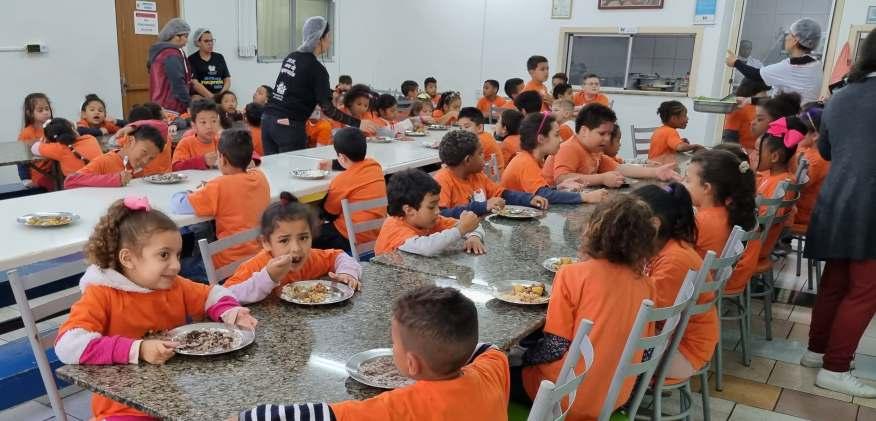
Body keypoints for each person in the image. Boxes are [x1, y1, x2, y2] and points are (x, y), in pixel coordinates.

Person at [54, 197, 257, 421]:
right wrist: (138, 349)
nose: (176, 265)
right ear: (128, 258)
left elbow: (212, 294)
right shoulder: (102, 294)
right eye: (164, 255)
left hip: (174, 399)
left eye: (177, 255)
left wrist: (231, 312)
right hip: (123, 408)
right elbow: (68, 345)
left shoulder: (173, 285)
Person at [235, 286, 510, 421]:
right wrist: (448, 349)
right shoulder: (492, 369)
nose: (393, 347)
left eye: (394, 343)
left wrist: (246, 418)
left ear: (412, 364)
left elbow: (321, 416)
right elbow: (489, 348)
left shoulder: (402, 408)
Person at [517, 194, 657, 419]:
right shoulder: (647, 284)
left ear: (594, 230)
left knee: (504, 369)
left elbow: (555, 347)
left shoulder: (571, 274)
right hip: (615, 396)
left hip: (564, 396)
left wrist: (524, 357)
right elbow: (646, 351)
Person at [803, 28, 876, 397]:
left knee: (835, 281)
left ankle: (816, 351)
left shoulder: (841, 95)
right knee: (865, 290)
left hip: (836, 199)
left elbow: (827, 151)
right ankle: (835, 367)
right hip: (870, 204)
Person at [634, 183, 718, 381]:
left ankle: (617, 395)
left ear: (654, 224)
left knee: (604, 348)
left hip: (683, 352)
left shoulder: (674, 260)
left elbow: (646, 315)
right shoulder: (665, 246)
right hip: (674, 339)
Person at [263, 16, 378, 153]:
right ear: (319, 40)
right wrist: (358, 123)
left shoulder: (291, 57)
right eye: (328, 36)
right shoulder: (317, 69)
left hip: (267, 120)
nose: (331, 41)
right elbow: (328, 109)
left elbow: (299, 87)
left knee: (272, 166)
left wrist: (333, 92)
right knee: (292, 166)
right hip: (288, 127)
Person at [224, 192, 362, 304]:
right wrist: (268, 277)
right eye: (284, 240)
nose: (296, 248)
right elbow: (224, 297)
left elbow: (339, 256)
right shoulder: (257, 266)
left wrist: (348, 273)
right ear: (266, 242)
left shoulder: (310, 259)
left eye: (303, 238)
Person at [170, 129, 270, 271]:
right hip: (258, 257)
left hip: (227, 264)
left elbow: (178, 205)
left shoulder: (218, 186)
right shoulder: (260, 177)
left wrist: (188, 192)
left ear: (222, 159)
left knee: (183, 266)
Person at [543, 104, 679, 188]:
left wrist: (655, 172)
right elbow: (562, 178)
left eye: (609, 134)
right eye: (602, 133)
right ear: (584, 131)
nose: (607, 139)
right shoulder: (569, 148)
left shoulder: (595, 151)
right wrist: (602, 178)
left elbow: (619, 168)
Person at [684, 149, 759, 294]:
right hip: (705, 286)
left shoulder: (701, 222)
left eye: (688, 180)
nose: (683, 184)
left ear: (706, 188)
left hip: (689, 291)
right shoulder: (728, 212)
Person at [500, 112, 608, 205]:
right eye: (556, 135)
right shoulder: (525, 162)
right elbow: (544, 195)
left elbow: (539, 190)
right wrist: (585, 197)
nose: (561, 139)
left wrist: (558, 188)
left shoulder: (533, 159)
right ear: (541, 139)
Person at [434, 130, 547, 217]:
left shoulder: (477, 175)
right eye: (480, 153)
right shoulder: (442, 180)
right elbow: (440, 214)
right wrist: (483, 206)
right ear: (467, 160)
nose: (484, 156)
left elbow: (501, 194)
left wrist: (528, 199)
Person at [374, 169, 486, 256]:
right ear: (409, 210)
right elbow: (426, 248)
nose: (438, 211)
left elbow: (471, 224)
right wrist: (461, 230)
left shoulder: (431, 220)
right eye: (431, 207)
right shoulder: (394, 227)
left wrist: (474, 236)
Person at [314, 128, 387, 253]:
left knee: (308, 236)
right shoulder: (375, 167)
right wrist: (333, 164)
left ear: (341, 157)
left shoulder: (341, 181)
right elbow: (357, 166)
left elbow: (329, 213)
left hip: (349, 238)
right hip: (374, 235)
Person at [726, 18, 823, 104]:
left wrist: (735, 62)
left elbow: (756, 75)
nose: (786, 38)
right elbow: (778, 100)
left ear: (795, 40)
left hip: (792, 117)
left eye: (789, 34)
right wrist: (750, 100)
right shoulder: (816, 65)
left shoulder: (792, 67)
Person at [64, 125, 165, 188]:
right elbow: (70, 181)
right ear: (131, 141)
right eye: (144, 152)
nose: (145, 161)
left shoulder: (137, 166)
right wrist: (114, 180)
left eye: (151, 158)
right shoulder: (105, 161)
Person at [792, 103, 829, 227]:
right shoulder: (810, 152)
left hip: (801, 217)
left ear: (815, 135)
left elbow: (794, 187)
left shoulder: (816, 160)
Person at [148, 18, 192, 115]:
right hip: (171, 107)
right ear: (176, 36)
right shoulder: (171, 54)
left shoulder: (160, 53)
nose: (187, 40)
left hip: (159, 105)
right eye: (186, 36)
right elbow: (177, 82)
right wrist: (189, 104)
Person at [30, 118, 102, 177]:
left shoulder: (59, 148)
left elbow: (34, 147)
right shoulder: (90, 138)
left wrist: (44, 140)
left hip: (77, 186)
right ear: (73, 129)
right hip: (101, 181)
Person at [114, 103, 172, 176]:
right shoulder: (163, 135)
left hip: (160, 177)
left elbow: (163, 126)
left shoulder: (161, 136)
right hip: (158, 177)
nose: (145, 161)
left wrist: (132, 127)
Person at [722, 78, 770, 153]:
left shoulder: (738, 107)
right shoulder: (740, 107)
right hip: (753, 153)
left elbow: (729, 138)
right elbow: (730, 137)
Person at [172, 99, 221, 170]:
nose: (209, 126)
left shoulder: (221, 142)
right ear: (194, 126)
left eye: (214, 121)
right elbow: (176, 167)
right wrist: (202, 161)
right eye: (203, 122)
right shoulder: (186, 143)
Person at [18, 92, 54, 190]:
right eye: (40, 110)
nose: (45, 112)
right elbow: (21, 159)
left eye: (47, 109)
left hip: (56, 171)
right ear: (29, 113)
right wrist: (25, 179)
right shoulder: (26, 133)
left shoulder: (54, 127)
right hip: (40, 175)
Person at [188, 28, 231, 97]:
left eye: (211, 40)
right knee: (195, 98)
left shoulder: (219, 57)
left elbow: (227, 80)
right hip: (202, 96)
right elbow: (195, 83)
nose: (210, 43)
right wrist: (212, 97)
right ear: (198, 43)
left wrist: (221, 95)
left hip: (220, 95)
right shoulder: (192, 59)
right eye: (206, 41)